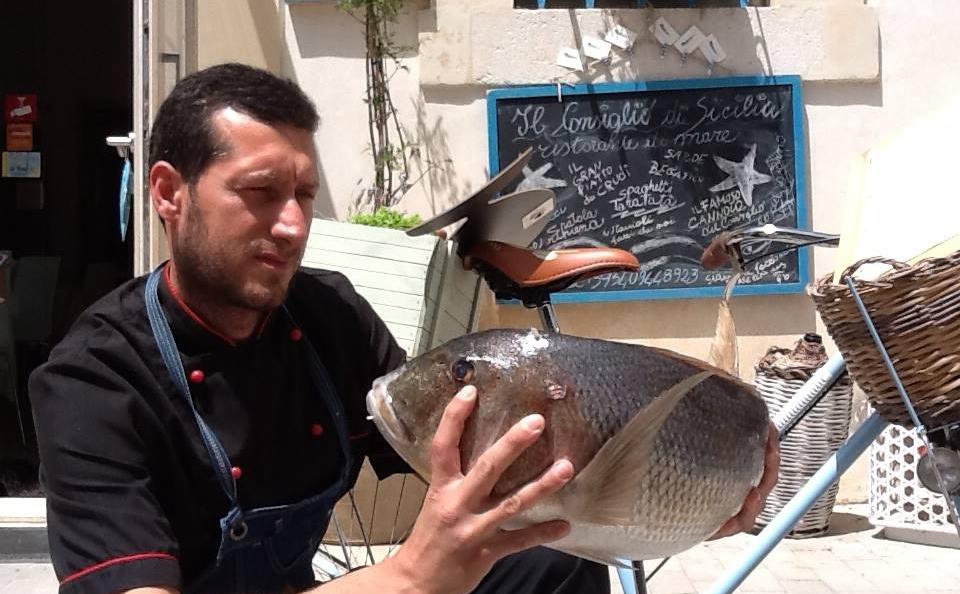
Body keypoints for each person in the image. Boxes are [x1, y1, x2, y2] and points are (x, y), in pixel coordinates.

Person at [30, 63, 779, 594]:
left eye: (303, 195)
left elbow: (458, 463)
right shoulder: (93, 383)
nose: (293, 226)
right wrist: (412, 575)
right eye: (260, 193)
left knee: (554, 561)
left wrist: (667, 502)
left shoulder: (325, 317)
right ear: (168, 193)